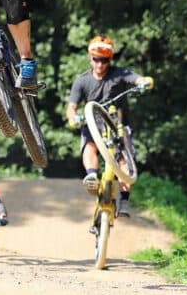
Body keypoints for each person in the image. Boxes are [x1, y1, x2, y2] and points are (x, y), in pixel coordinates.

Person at [64, 35, 153, 217]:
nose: (100, 65)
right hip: (93, 122)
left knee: (123, 161)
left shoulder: (120, 74)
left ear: (109, 60)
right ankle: (91, 176)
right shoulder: (82, 80)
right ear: (90, 58)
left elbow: (136, 79)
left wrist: (143, 82)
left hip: (118, 123)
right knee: (89, 146)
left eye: (104, 61)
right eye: (96, 60)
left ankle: (125, 201)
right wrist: (73, 118)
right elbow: (71, 107)